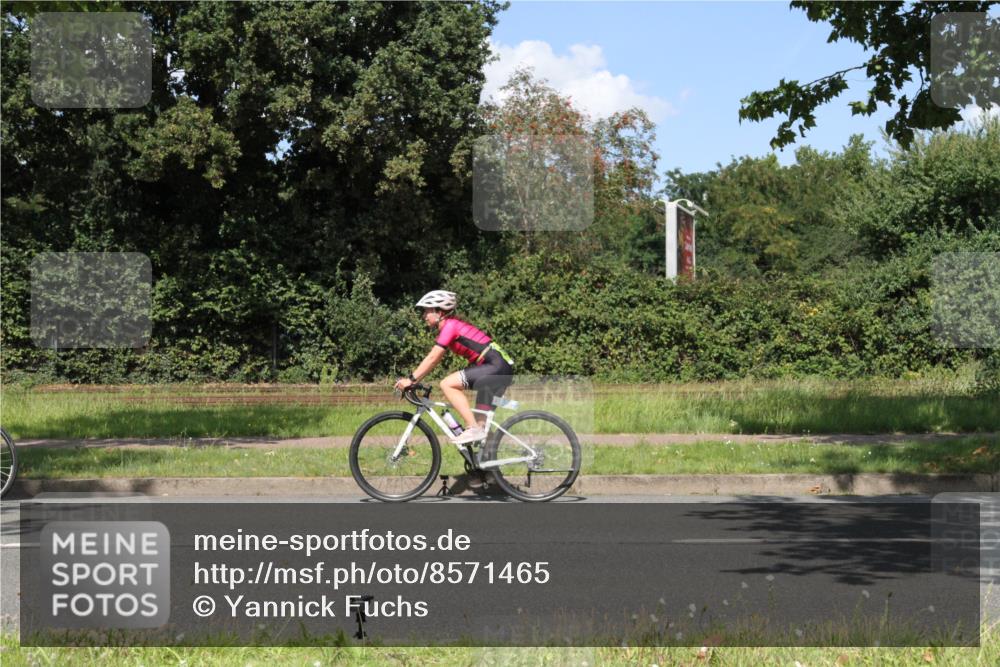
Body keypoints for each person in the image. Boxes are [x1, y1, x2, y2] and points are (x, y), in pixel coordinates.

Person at [394, 290, 514, 444]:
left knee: (447, 384)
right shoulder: (451, 326)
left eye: (427, 311)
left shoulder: (450, 326)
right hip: (498, 368)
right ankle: (486, 463)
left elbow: (433, 358)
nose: (424, 316)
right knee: (481, 424)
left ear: (440, 312)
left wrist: (411, 379)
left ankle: (473, 428)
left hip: (495, 366)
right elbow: (434, 360)